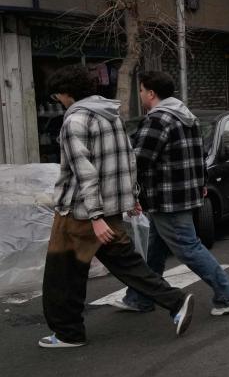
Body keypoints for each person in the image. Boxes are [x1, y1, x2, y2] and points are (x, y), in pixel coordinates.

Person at [38, 66, 195, 348]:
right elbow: (127, 159)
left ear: (66, 92)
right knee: (127, 264)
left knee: (62, 275)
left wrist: (95, 216)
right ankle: (176, 300)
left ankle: (67, 333)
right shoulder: (110, 115)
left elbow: (83, 171)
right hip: (108, 207)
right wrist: (131, 197)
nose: (58, 100)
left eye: (58, 94)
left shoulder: (75, 120)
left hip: (81, 212)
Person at [113, 71, 229, 316]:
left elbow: (139, 160)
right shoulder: (187, 116)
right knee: (155, 250)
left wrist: (126, 190)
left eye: (141, 91)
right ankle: (140, 297)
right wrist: (201, 183)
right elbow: (200, 155)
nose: (140, 95)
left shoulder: (158, 119)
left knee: (189, 248)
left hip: (167, 198)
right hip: (182, 194)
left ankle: (228, 293)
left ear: (151, 93)